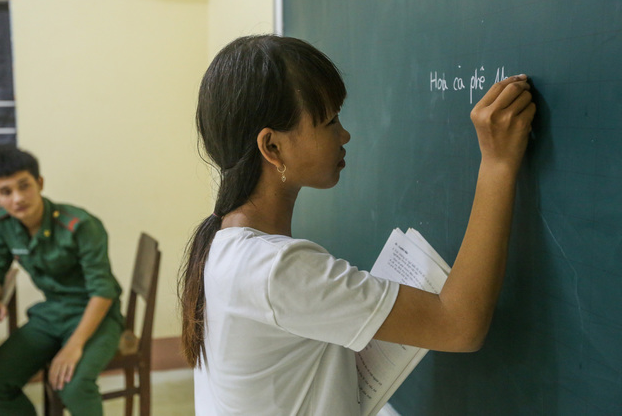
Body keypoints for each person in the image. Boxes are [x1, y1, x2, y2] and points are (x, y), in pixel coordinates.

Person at [179, 35, 535, 415]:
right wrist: (498, 164)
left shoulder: (222, 244)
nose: (344, 134)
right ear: (273, 147)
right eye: (330, 121)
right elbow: (460, 325)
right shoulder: (277, 270)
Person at [0, 149, 123, 416]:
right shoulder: (4, 226)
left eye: (24, 186)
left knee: (74, 386)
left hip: (96, 315)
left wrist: (73, 346)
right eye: (6, 192)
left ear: (39, 183)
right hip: (51, 314)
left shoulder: (79, 225)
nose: (18, 198)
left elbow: (102, 290)